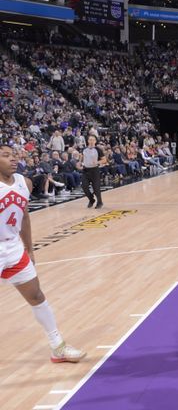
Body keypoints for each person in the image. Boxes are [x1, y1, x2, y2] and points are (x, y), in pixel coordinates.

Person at [0, 145, 85, 363]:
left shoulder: (23, 182)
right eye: (5, 155)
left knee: (36, 296)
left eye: (14, 155)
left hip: (13, 248)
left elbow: (25, 216)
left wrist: (29, 248)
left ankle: (58, 347)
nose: (13, 159)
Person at [79, 135, 106, 209]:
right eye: (90, 140)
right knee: (84, 186)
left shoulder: (98, 150)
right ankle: (91, 199)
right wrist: (79, 163)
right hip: (85, 170)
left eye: (93, 140)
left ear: (95, 141)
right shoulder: (84, 149)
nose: (91, 141)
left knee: (96, 188)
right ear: (88, 141)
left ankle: (100, 202)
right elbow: (81, 158)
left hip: (94, 171)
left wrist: (97, 162)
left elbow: (104, 160)